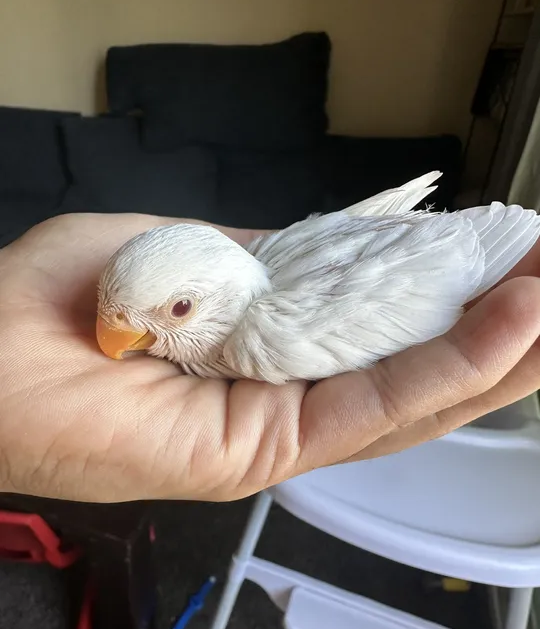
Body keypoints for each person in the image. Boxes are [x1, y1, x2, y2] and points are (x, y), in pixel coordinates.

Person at [0, 212, 540, 504]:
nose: (116, 335)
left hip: (457, 257)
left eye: (179, 309)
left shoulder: (263, 338)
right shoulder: (253, 266)